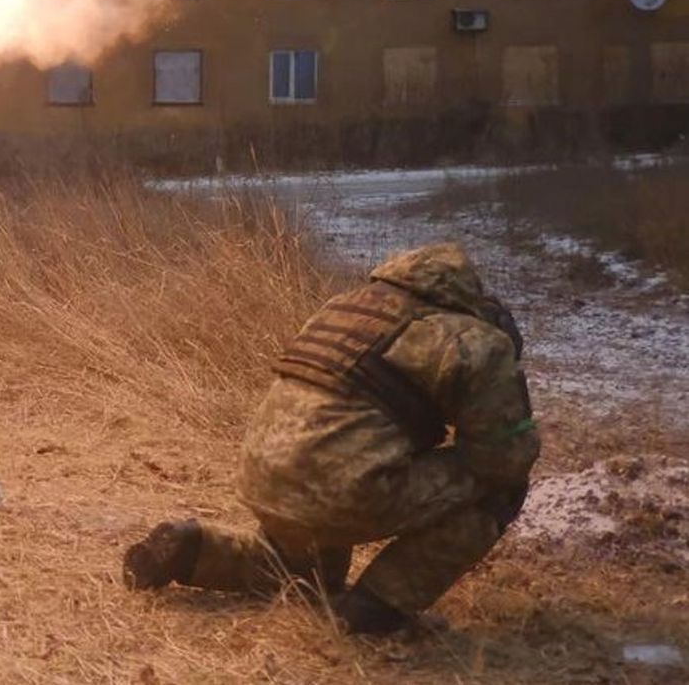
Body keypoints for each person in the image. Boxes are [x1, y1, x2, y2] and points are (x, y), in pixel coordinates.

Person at [122, 242, 538, 635]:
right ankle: (378, 608)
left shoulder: (343, 308)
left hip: (264, 476)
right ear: (467, 295)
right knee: (500, 489)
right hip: (343, 487)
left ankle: (196, 549)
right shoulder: (474, 340)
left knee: (303, 576)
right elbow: (503, 458)